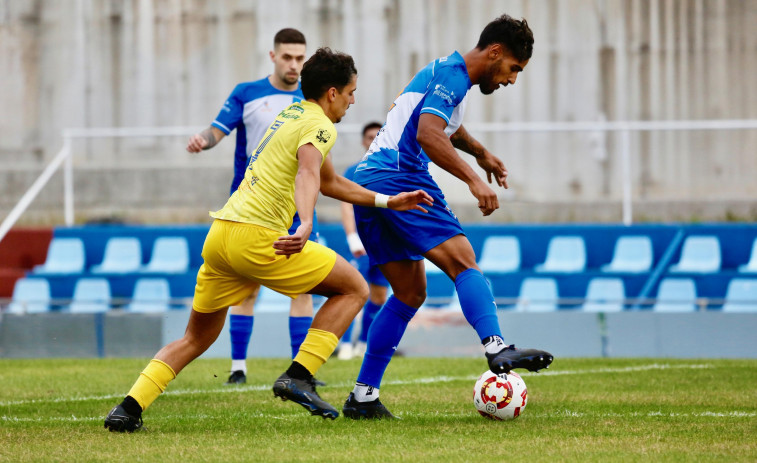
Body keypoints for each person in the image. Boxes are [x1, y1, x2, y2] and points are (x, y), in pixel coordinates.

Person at [104, 47, 433, 431]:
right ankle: (300, 374)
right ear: (331, 93)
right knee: (355, 288)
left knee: (195, 337)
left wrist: (387, 201)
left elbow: (329, 182)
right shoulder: (322, 126)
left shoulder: (292, 114)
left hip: (223, 234)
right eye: (350, 91)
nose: (353, 100)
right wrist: (306, 220)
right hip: (259, 237)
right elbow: (308, 174)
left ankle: (128, 408)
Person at [342, 14, 554, 420]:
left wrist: (481, 152)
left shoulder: (446, 74)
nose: (511, 80)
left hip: (369, 183)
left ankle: (363, 396)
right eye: (513, 69)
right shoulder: (454, 76)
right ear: (495, 53)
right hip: (398, 176)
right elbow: (427, 133)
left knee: (408, 294)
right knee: (463, 262)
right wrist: (475, 180)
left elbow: (446, 126)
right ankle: (496, 346)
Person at [186, 28, 320, 385]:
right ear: (273, 57)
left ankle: (299, 370)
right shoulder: (247, 93)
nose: (295, 64)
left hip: (294, 205)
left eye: (300, 58)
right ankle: (239, 367)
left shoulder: (310, 99)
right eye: (288, 57)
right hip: (250, 205)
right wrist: (204, 140)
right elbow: (219, 130)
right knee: (246, 288)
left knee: (302, 286)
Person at [335, 121, 389, 360]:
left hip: (386, 243)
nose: (373, 140)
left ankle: (364, 343)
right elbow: (346, 206)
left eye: (378, 136)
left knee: (378, 296)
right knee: (353, 291)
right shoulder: (354, 171)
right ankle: (345, 344)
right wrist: (352, 238)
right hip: (363, 244)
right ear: (363, 140)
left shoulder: (392, 169)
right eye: (369, 136)